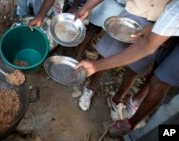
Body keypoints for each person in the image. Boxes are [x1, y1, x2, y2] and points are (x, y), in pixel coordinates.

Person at [76, 0, 179, 136]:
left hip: (157, 25)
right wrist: (88, 6)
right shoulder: (174, 11)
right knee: (107, 54)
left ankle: (116, 100)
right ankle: (90, 88)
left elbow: (147, 46)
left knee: (135, 69)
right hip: (133, 15)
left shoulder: (173, 12)